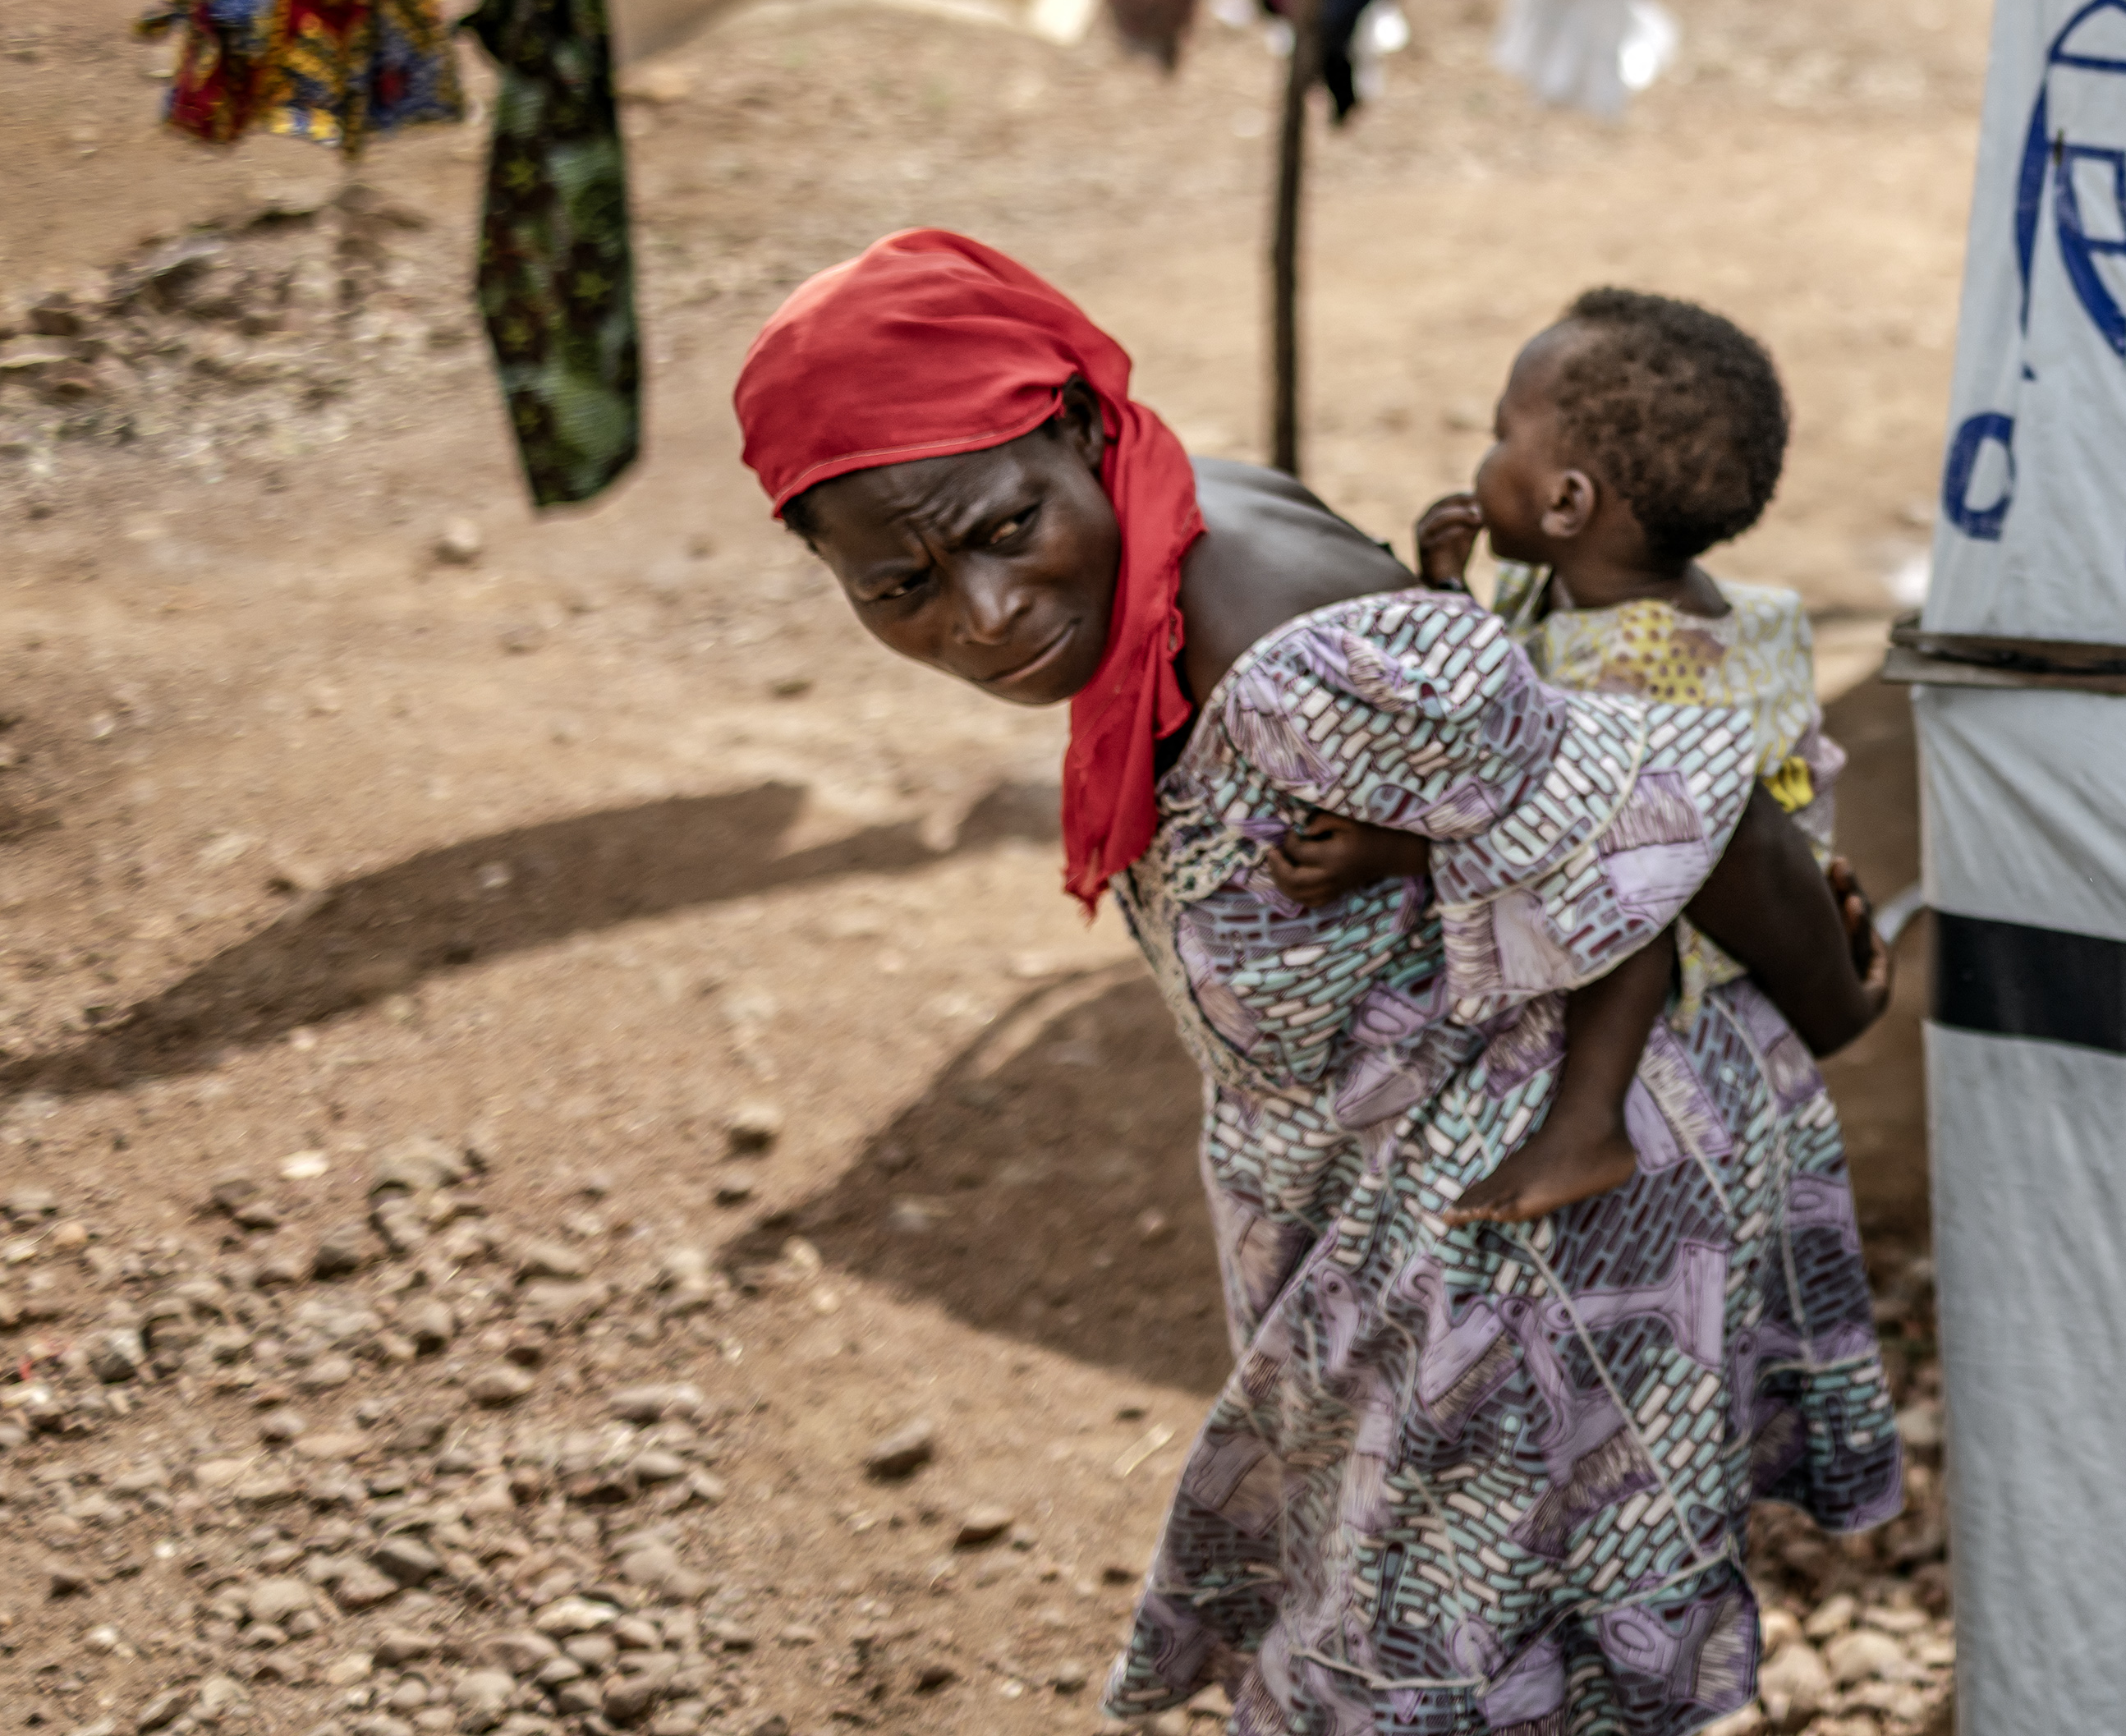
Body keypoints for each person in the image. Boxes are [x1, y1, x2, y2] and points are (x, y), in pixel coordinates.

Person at [732, 230, 1903, 1731]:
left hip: (1527, 1232)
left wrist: (1836, 1007)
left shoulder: (1285, 651)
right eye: (896, 585)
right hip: (1406, 1213)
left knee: (1428, 1679)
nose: (983, 613)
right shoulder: (1170, 523)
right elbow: (1494, 748)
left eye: (1006, 529)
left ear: (1081, 424)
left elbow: (1686, 793)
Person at [1403, 287, 1837, 1229]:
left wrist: (1386, 848)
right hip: (1750, 854)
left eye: (1496, 434)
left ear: (1566, 500)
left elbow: (1511, 761)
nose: (1480, 459)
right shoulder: (1611, 585)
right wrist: (1449, 593)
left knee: (1616, 869)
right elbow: (1504, 684)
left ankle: (1585, 1121)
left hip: (1696, 916)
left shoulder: (1634, 670)